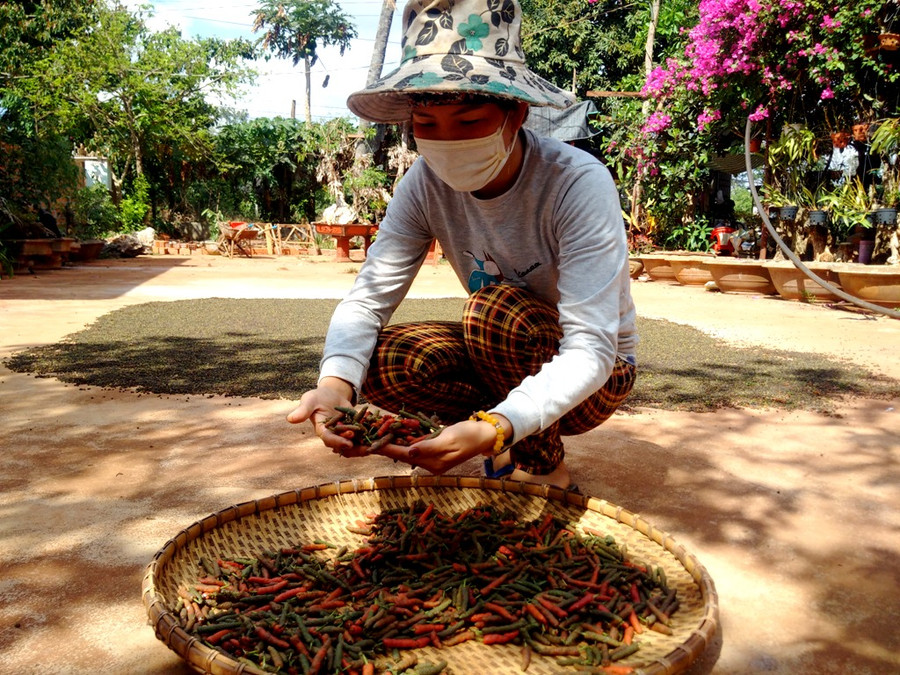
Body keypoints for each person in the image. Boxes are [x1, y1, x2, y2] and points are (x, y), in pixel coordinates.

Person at [287, 0, 638, 490]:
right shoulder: (422, 184)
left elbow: (591, 348)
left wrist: (498, 426)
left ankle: (542, 465)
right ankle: (490, 431)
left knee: (494, 311)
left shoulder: (576, 182)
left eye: (469, 122)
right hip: (498, 355)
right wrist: (334, 385)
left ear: (516, 114)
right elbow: (368, 300)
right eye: (427, 125)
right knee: (382, 362)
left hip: (597, 374)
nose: (447, 141)